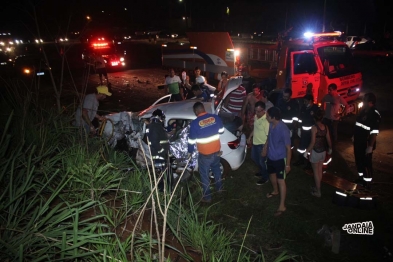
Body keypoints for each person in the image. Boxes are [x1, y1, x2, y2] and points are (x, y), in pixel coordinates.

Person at [188, 102, 225, 203]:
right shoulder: (215, 117)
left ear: (196, 112)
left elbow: (191, 141)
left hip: (205, 155)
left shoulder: (195, 123)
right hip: (216, 151)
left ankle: (207, 197)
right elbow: (222, 131)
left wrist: (190, 151)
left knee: (204, 175)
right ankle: (220, 189)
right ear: (203, 108)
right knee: (216, 170)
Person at [262, 107, 291, 217]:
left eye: (268, 115)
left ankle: (282, 205)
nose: (266, 117)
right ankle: (275, 191)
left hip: (280, 159)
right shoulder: (270, 125)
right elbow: (269, 137)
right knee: (271, 175)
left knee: (281, 181)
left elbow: (288, 148)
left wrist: (287, 164)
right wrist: (265, 147)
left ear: (273, 117)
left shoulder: (283, 129)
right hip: (271, 156)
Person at [353, 92, 381, 188]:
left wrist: (370, 146)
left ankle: (367, 181)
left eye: (364, 100)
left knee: (366, 162)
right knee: (359, 160)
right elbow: (358, 125)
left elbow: (374, 132)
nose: (363, 102)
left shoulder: (374, 114)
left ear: (370, 102)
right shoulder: (363, 111)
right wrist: (354, 136)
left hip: (366, 143)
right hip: (358, 140)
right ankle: (361, 178)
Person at [304, 109, 332, 197]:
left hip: (315, 152)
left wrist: (306, 151)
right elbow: (328, 139)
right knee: (320, 170)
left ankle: (318, 192)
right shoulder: (325, 127)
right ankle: (317, 187)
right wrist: (330, 148)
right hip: (323, 151)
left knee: (316, 172)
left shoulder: (314, 128)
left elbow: (312, 142)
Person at [146, 109, 170, 190]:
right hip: (158, 156)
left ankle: (163, 192)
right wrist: (162, 151)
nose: (163, 120)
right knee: (160, 178)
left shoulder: (155, 126)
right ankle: (161, 193)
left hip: (159, 155)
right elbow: (155, 142)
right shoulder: (154, 127)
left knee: (163, 176)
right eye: (162, 118)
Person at [246, 101, 269, 185]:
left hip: (262, 144)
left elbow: (269, 136)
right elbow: (255, 128)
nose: (256, 113)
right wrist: (250, 137)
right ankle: (262, 171)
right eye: (255, 110)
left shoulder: (266, 121)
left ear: (263, 110)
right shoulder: (256, 116)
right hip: (255, 142)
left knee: (262, 161)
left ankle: (265, 177)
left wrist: (265, 148)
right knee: (254, 158)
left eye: (258, 111)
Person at [295, 94, 319, 168]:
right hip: (303, 131)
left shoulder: (315, 109)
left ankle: (309, 163)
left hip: (311, 132)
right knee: (301, 147)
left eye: (306, 101)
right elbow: (300, 119)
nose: (304, 102)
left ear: (310, 101)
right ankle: (301, 160)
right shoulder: (303, 108)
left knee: (310, 147)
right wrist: (299, 128)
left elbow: (318, 120)